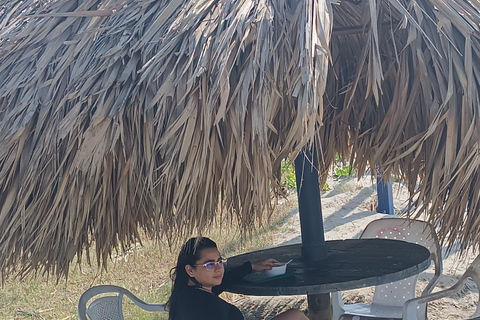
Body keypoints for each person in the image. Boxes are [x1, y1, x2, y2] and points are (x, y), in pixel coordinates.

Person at [167, 236, 308, 320]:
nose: (218, 269)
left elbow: (223, 281)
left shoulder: (189, 291)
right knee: (297, 316)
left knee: (295, 315)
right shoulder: (204, 304)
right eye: (209, 264)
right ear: (190, 270)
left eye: (220, 261)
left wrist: (250, 267)